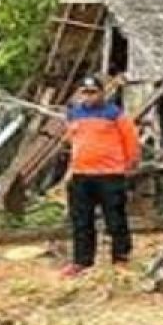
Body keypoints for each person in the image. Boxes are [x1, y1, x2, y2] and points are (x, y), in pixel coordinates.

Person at [62, 75, 139, 278]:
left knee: (115, 218)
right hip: (81, 175)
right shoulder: (74, 114)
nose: (89, 97)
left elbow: (131, 141)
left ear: (102, 93)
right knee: (81, 221)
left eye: (93, 92)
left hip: (109, 175)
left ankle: (121, 257)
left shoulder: (115, 114)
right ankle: (82, 261)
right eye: (85, 93)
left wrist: (129, 164)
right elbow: (72, 141)